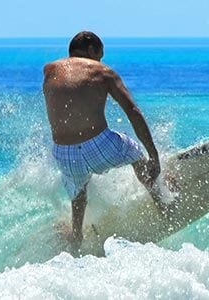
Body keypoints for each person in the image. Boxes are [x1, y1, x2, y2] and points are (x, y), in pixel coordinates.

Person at [42, 31, 164, 253]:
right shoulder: (103, 73)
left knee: (78, 191)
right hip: (99, 147)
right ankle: (161, 201)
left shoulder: (49, 70)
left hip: (64, 154)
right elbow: (133, 112)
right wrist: (154, 156)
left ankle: (76, 237)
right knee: (134, 152)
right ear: (91, 50)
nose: (101, 61)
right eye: (100, 55)